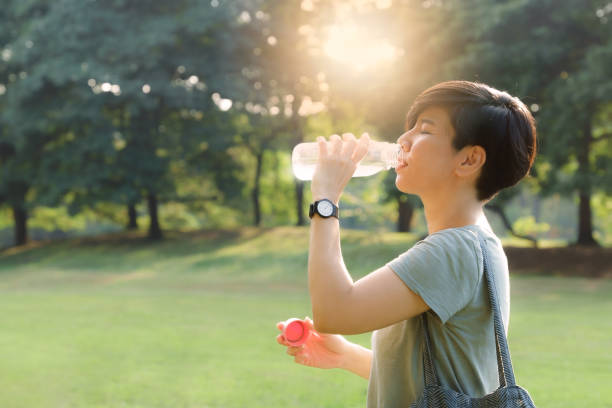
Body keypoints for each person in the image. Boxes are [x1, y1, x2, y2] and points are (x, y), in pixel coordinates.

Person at [275, 80, 537, 406]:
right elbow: (435, 386)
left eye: (425, 130)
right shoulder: (475, 242)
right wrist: (346, 355)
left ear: (469, 160)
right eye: (410, 127)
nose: (404, 139)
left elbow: (334, 312)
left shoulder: (454, 249)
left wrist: (325, 201)